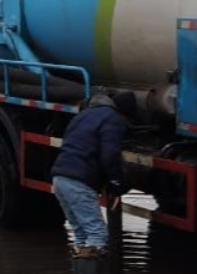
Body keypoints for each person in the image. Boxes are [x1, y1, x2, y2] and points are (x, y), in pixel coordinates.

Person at [51, 90, 138, 258]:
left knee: (81, 235)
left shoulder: (83, 115)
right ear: (125, 114)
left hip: (60, 178)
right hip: (79, 181)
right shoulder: (113, 119)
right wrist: (116, 183)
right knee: (97, 235)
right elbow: (109, 154)